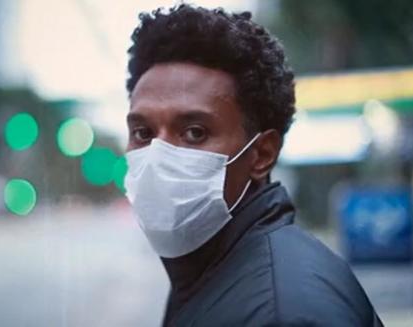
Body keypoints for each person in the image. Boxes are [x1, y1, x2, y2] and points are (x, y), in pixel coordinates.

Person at [123, 4, 383, 327]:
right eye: (143, 133)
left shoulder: (284, 314)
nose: (158, 156)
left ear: (261, 154)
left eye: (194, 132)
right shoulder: (209, 271)